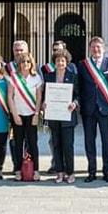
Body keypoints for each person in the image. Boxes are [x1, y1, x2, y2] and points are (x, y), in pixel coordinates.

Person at [77, 36, 108, 183]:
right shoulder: (83, 65)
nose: (96, 49)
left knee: (107, 142)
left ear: (103, 49)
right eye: (93, 47)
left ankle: (107, 172)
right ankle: (91, 171)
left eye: (98, 47)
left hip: (105, 109)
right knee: (89, 142)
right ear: (90, 49)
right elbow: (79, 87)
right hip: (89, 110)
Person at [43, 50, 79, 183]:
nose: (60, 63)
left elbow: (78, 95)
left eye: (62, 60)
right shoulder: (48, 76)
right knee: (56, 144)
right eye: (58, 60)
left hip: (68, 116)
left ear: (67, 62)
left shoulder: (73, 76)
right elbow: (44, 95)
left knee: (68, 145)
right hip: (54, 115)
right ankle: (59, 172)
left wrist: (74, 103)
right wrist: (44, 104)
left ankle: (70, 172)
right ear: (54, 62)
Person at [8, 52, 43, 181]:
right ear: (19, 64)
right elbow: (10, 97)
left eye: (28, 61)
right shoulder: (14, 77)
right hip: (18, 115)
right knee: (18, 143)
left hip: (31, 114)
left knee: (33, 143)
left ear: (31, 63)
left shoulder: (37, 78)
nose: (25, 64)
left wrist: (36, 114)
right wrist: (14, 114)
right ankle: (18, 170)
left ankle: (36, 170)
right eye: (23, 62)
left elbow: (39, 97)